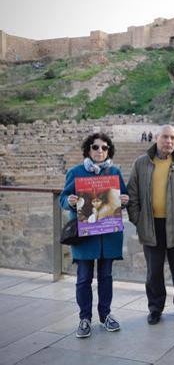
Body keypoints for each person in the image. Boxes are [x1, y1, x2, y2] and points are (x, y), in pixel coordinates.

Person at [60, 132, 129, 338]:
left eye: (104, 147)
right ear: (88, 150)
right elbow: (63, 198)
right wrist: (69, 201)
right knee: (83, 279)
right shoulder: (76, 172)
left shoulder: (115, 172)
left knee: (106, 277)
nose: (100, 151)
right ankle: (84, 318)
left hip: (108, 236)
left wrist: (125, 200)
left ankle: (105, 314)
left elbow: (124, 198)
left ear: (109, 150)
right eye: (96, 147)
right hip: (85, 235)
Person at [127, 125, 174, 325]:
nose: (169, 141)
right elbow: (133, 194)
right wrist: (137, 219)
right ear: (156, 138)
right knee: (154, 271)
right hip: (151, 225)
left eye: (173, 138)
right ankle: (155, 308)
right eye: (165, 137)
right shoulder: (141, 163)